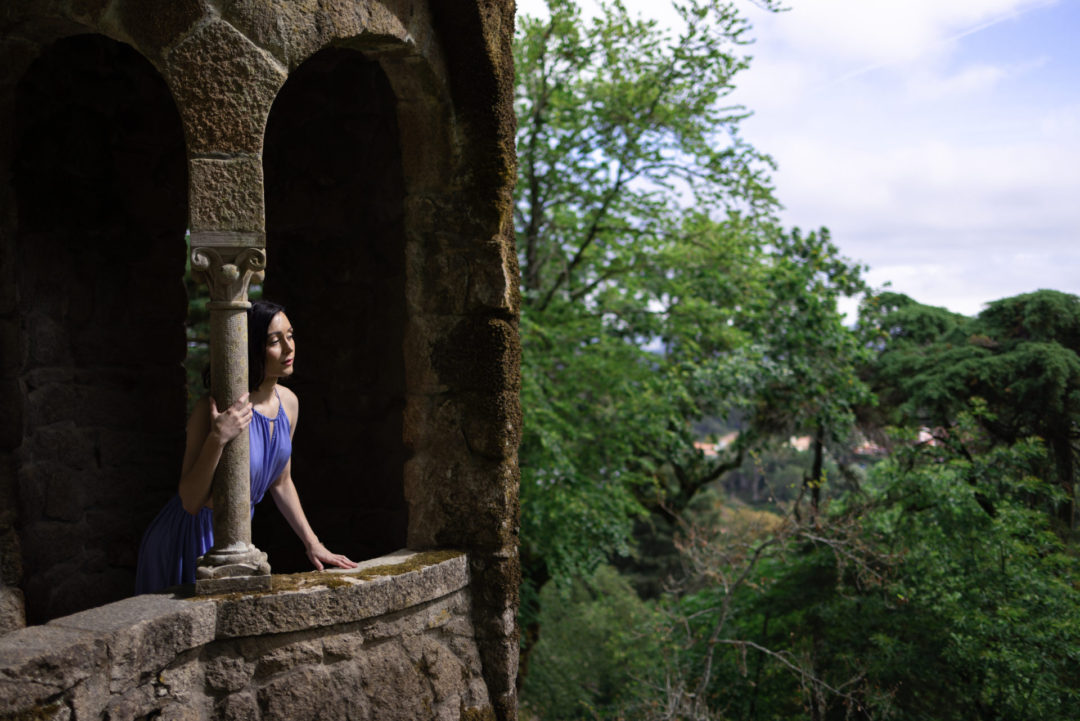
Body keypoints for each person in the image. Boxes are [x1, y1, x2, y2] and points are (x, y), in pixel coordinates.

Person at [135, 301, 356, 594]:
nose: (289, 348)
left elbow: (281, 482)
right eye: (275, 341)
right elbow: (189, 501)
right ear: (251, 348)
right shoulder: (212, 408)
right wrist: (218, 437)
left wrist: (313, 543)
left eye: (290, 336)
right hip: (186, 539)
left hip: (235, 538)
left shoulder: (289, 403)